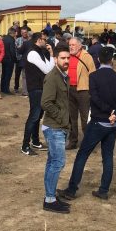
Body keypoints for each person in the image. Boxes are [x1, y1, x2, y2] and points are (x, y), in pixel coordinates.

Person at [58, 46, 116, 202]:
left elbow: (95, 98)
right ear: (112, 60)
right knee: (108, 156)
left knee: (82, 155)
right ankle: (103, 190)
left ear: (98, 60)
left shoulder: (94, 77)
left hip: (99, 122)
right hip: (113, 124)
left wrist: (109, 112)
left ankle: (71, 190)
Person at [41, 44, 72, 213]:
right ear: (55, 59)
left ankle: (50, 195)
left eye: (68, 58)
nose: (66, 60)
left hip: (57, 126)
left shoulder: (62, 75)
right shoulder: (53, 77)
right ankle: (50, 200)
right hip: (54, 127)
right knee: (58, 162)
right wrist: (61, 117)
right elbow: (45, 102)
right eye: (63, 58)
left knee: (52, 161)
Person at [21, 32, 53, 156]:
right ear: (39, 40)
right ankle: (25, 145)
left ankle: (35, 141)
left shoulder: (39, 51)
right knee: (34, 116)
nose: (46, 41)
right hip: (36, 89)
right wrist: (51, 54)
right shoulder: (33, 53)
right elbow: (48, 69)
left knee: (38, 116)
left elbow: (48, 67)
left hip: (40, 88)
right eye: (45, 39)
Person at [66, 36, 96, 150]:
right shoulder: (68, 56)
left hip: (83, 90)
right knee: (71, 118)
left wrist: (93, 91)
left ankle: (88, 143)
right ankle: (73, 141)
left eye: (73, 45)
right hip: (70, 90)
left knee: (85, 118)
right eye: (69, 45)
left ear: (79, 45)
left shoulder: (86, 57)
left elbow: (93, 74)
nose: (71, 47)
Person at [0, 27, 17, 94]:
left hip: (4, 59)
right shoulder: (11, 40)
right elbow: (12, 51)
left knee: (3, 74)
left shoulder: (4, 39)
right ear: (13, 33)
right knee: (8, 75)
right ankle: (6, 89)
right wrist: (15, 59)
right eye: (15, 33)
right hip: (10, 60)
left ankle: (2, 88)